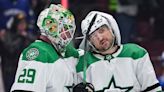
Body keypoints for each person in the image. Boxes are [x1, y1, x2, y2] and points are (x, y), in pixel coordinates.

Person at [76, 11, 162, 92]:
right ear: (89, 42)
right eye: (93, 36)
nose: (100, 38)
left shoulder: (135, 53)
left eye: (102, 31)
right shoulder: (82, 62)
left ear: (111, 29)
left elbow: (153, 90)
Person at [10, 4, 80, 92]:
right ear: (51, 29)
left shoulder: (67, 52)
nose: (68, 34)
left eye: (69, 29)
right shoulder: (39, 54)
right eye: (64, 28)